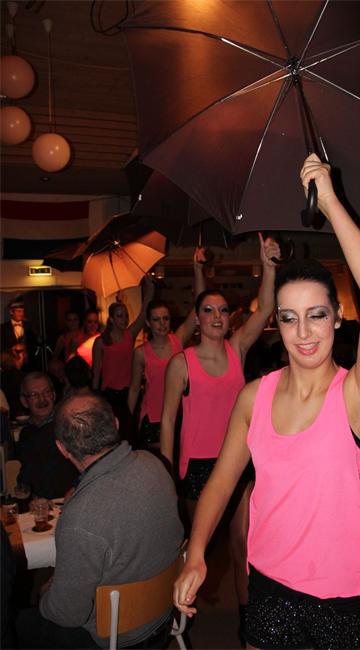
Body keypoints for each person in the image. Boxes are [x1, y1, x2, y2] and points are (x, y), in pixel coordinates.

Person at [173, 154, 360, 650]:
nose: (304, 332)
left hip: (345, 593)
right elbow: (222, 482)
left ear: (337, 318)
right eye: (290, 318)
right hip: (270, 583)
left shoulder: (357, 396)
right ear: (276, 322)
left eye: (317, 315)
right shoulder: (255, 396)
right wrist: (197, 551)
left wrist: (331, 202)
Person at [160, 233, 280, 640]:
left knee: (243, 544)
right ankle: (173, 610)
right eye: (208, 310)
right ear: (197, 318)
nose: (216, 316)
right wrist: (166, 473)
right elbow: (167, 421)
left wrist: (268, 266)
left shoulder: (237, 350)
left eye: (223, 310)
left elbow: (266, 307)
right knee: (197, 546)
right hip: (197, 467)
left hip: (239, 460)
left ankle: (248, 622)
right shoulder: (181, 363)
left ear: (230, 318)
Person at [16, 392, 184, 649]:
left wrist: (45, 595)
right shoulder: (154, 464)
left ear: (62, 449)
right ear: (115, 423)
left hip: (119, 637)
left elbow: (68, 614)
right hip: (164, 614)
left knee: (17, 624)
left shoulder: (80, 516)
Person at [128, 248, 206, 450]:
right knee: (157, 466)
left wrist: (197, 270)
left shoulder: (177, 340)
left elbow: (199, 305)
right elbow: (134, 389)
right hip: (152, 419)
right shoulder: (140, 353)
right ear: (148, 323)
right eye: (156, 319)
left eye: (165, 318)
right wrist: (127, 425)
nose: (162, 324)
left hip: (179, 415)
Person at [92, 279, 154, 446]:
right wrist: (95, 397)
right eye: (120, 316)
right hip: (109, 395)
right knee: (112, 434)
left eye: (126, 316)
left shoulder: (129, 335)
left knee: (129, 433)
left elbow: (143, 313)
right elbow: (96, 372)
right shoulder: (101, 341)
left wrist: (149, 289)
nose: (124, 319)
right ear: (111, 319)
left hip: (128, 393)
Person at [16, 372, 78, 499]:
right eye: (34, 395)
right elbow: (26, 474)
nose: (42, 399)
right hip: (38, 504)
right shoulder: (26, 434)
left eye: (46, 392)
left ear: (54, 395)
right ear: (24, 401)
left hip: (68, 500)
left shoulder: (69, 426)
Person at [0, 297, 39, 370]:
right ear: (11, 312)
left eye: (23, 311)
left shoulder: (30, 325)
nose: (22, 314)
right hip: (11, 366)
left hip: (29, 365)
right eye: (19, 311)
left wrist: (26, 349)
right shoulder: (3, 328)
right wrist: (12, 349)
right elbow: (1, 346)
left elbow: (36, 344)